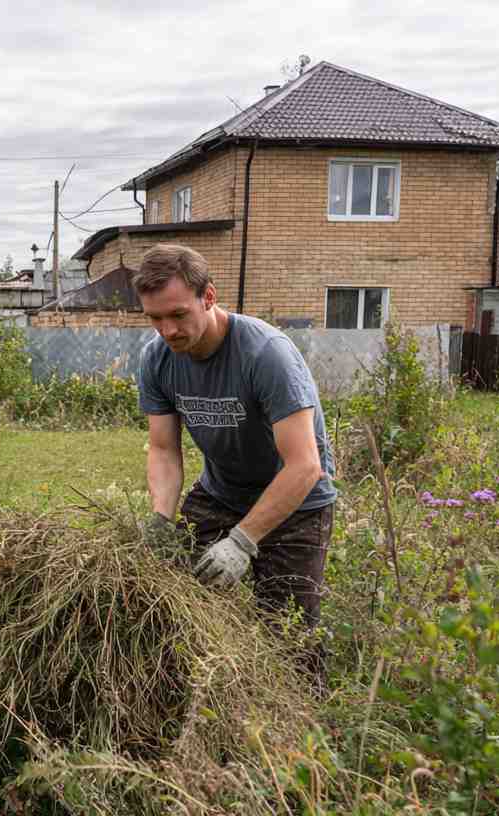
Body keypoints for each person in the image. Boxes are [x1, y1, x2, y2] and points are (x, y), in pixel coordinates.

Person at [134, 243, 336, 675]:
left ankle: (308, 732)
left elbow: (305, 465)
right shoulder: (156, 359)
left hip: (297, 500)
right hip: (221, 492)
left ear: (208, 297)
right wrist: (160, 520)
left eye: (178, 314)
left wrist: (243, 542)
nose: (167, 331)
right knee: (169, 598)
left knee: (289, 637)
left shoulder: (266, 355)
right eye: (155, 319)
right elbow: (165, 450)